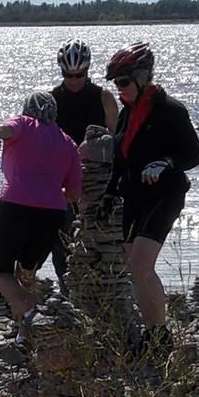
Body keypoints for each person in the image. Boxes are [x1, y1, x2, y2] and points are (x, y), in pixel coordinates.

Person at [104, 42, 199, 355]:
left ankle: (161, 336)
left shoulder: (170, 110)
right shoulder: (126, 114)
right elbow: (120, 159)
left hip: (165, 194)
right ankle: (152, 330)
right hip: (134, 197)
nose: (119, 90)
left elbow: (194, 154)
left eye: (123, 83)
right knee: (132, 266)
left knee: (140, 264)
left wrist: (167, 162)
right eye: (116, 84)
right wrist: (109, 193)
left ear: (143, 76)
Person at [0, 91, 83, 344]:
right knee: (26, 273)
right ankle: (24, 335)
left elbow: (5, 129)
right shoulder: (68, 142)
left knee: (0, 272)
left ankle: (31, 314)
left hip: (15, 206)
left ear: (27, 109)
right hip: (53, 213)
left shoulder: (24, 123)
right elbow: (74, 193)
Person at [49, 40, 119, 293]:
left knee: (102, 242)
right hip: (62, 183)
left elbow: (117, 140)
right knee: (63, 242)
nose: (74, 80)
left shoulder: (104, 97)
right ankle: (68, 293)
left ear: (88, 71)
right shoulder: (52, 100)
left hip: (97, 183)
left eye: (79, 75)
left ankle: (105, 294)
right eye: (68, 75)